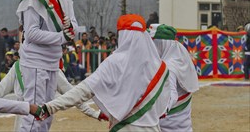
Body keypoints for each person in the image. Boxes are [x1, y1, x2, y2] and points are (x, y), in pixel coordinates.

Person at [35, 14, 170, 131]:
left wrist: (49, 108)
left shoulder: (115, 62)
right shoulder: (160, 67)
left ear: (123, 35)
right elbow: (164, 106)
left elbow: (82, 91)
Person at [15, 0, 78, 131]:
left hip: (52, 61)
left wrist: (70, 28)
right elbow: (32, 33)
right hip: (35, 62)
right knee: (34, 116)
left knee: (47, 115)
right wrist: (61, 37)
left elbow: (73, 25)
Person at [0, 60, 108, 131]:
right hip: (21, 126)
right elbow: (0, 89)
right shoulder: (18, 67)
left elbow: (73, 95)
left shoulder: (52, 69)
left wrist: (94, 113)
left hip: (40, 125)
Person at [148, 24, 199, 132]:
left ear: (161, 44)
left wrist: (156, 111)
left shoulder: (169, 67)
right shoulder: (178, 57)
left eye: (153, 44)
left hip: (170, 124)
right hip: (181, 123)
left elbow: (172, 96)